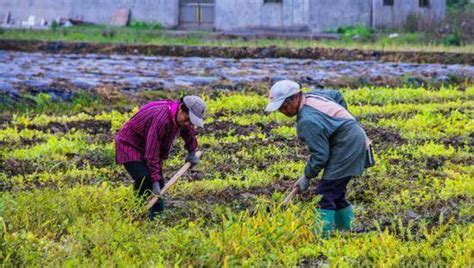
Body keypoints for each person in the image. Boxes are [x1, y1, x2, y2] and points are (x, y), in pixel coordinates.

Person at [265, 80, 373, 237]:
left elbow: (320, 156)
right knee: (337, 190)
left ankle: (321, 237)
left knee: (324, 193)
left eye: (283, 106)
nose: (282, 110)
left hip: (346, 146)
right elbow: (337, 95)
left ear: (295, 97)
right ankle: (345, 230)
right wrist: (342, 122)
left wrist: (307, 176)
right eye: (279, 108)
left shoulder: (307, 121)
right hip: (353, 138)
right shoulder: (314, 95)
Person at [115, 95, 207, 220]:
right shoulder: (161, 119)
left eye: (191, 121)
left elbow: (188, 132)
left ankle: (155, 219)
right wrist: (155, 181)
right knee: (144, 178)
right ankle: (137, 213)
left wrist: (191, 151)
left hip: (146, 144)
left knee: (157, 185)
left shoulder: (181, 119)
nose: (188, 123)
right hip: (129, 144)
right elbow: (152, 152)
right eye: (187, 119)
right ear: (181, 109)